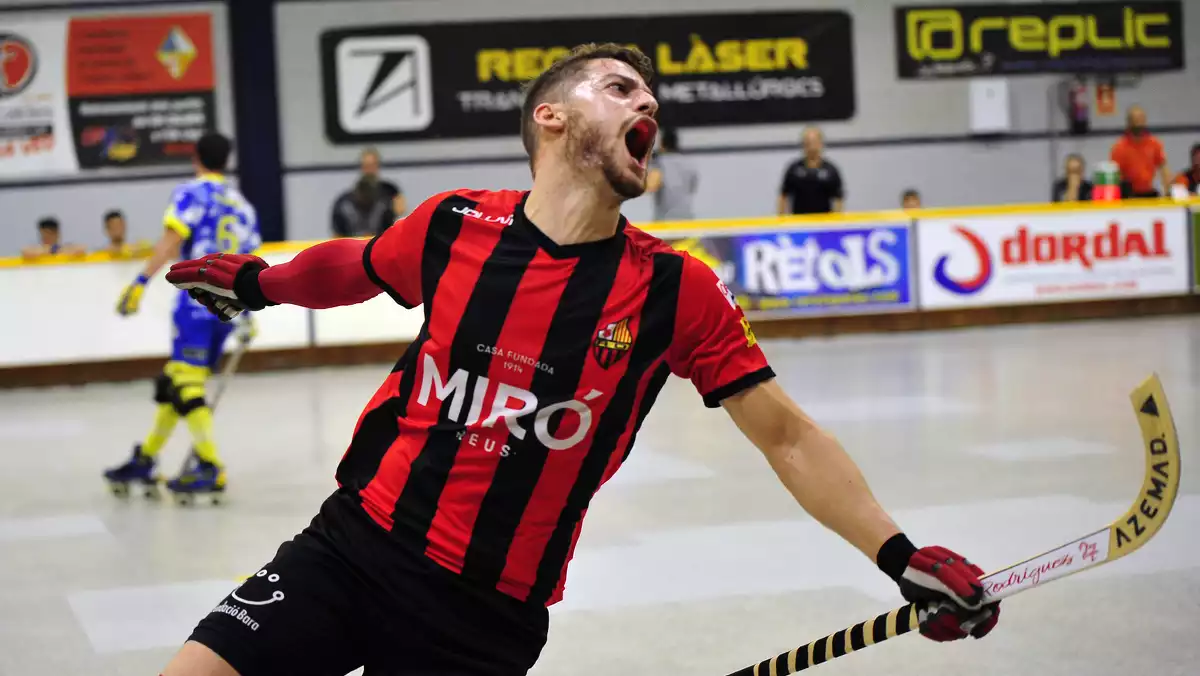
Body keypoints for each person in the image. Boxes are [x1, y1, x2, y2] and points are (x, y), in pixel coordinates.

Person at [161, 43, 999, 676]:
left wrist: (899, 554)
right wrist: (262, 283)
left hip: (482, 617)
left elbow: (787, 436)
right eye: (621, 89)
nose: (649, 105)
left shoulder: (678, 289)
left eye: (651, 97)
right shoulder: (457, 226)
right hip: (350, 547)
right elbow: (359, 263)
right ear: (551, 117)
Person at [103, 132, 261, 499]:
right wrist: (249, 312)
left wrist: (140, 281)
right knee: (177, 382)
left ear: (196, 158)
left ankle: (209, 465)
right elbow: (251, 261)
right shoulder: (242, 205)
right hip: (229, 308)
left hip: (196, 303)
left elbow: (173, 240)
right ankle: (146, 457)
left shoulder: (192, 193)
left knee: (186, 385)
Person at [778, 126, 844, 215]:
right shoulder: (794, 169)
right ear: (803, 144)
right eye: (808, 143)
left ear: (821, 143)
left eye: (814, 142)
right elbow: (784, 196)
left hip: (824, 222)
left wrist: (836, 222)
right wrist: (782, 219)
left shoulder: (830, 170)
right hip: (799, 222)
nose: (811, 146)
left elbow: (838, 199)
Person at [1109, 105, 1172, 198]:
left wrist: (1168, 191)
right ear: (1129, 123)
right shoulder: (1119, 147)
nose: (1138, 123)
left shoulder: (1154, 144)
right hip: (1128, 195)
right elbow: (1114, 176)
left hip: (1149, 192)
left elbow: (1164, 169)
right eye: (1135, 120)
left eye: (1141, 119)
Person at [644, 125, 698, 221]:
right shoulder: (689, 164)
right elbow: (692, 188)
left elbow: (650, 186)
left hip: (666, 222)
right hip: (687, 220)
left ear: (661, 144)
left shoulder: (660, 163)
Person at [360, 146, 406, 220]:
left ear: (377, 166)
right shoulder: (355, 194)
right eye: (366, 166)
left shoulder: (391, 190)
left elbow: (401, 209)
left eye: (372, 165)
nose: (369, 170)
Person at [20, 217, 85, 259]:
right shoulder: (36, 250)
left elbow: (81, 249)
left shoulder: (65, 248)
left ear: (57, 234)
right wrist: (51, 250)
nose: (46, 237)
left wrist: (55, 250)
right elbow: (25, 251)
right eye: (44, 234)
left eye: (49, 234)